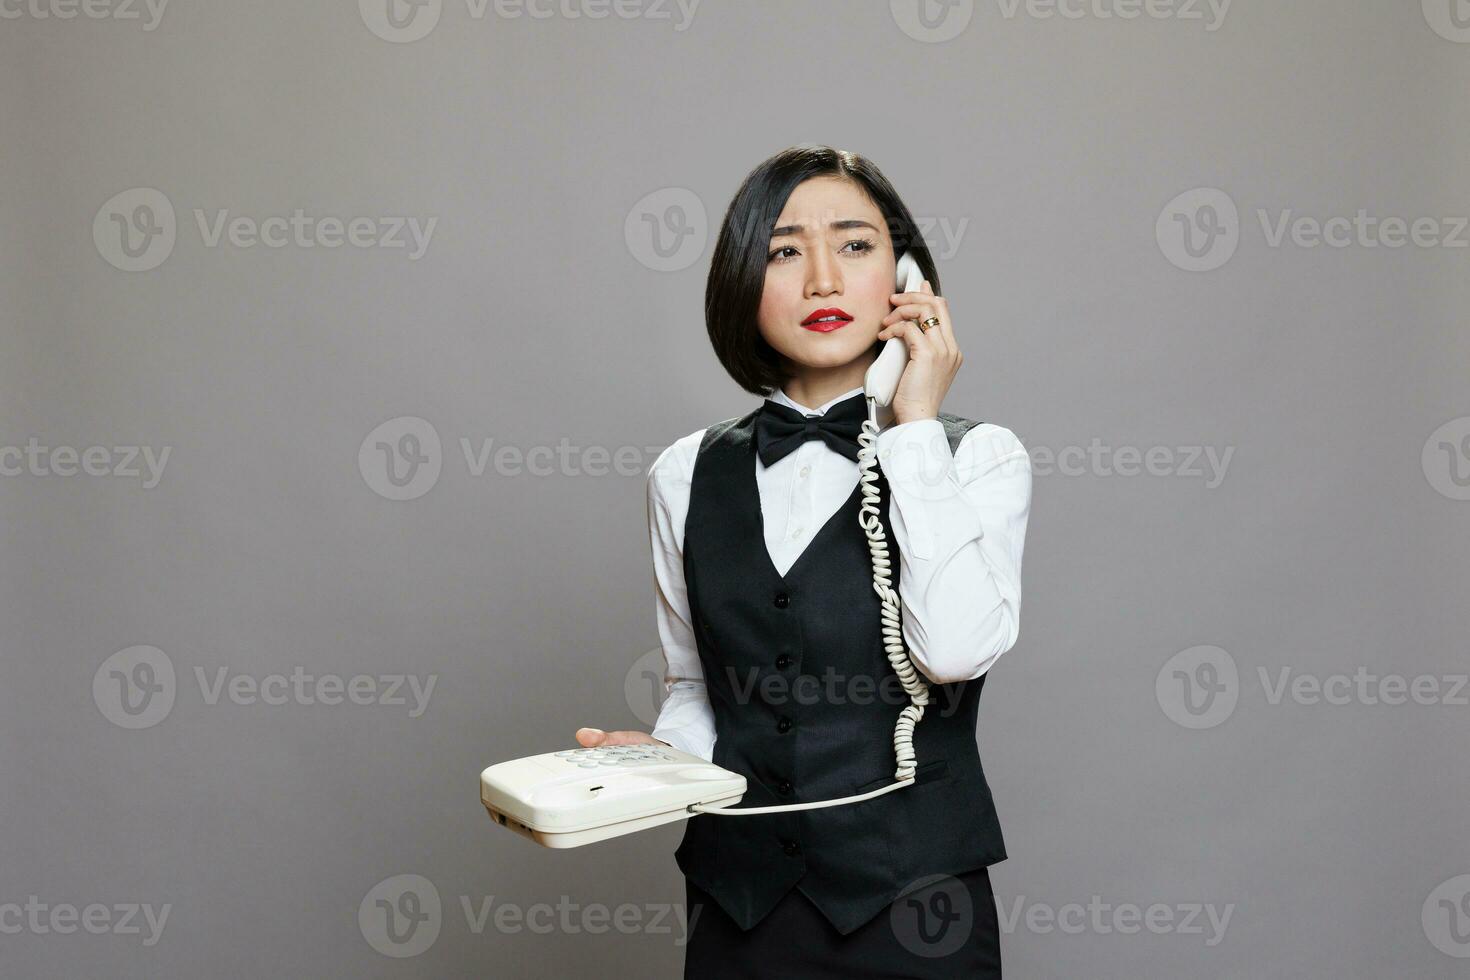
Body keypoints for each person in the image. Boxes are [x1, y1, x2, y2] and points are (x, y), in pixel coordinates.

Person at [575, 144, 1031, 977]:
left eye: (855, 245)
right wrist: (655, 766)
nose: (823, 278)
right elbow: (693, 687)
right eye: (785, 250)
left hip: (916, 908)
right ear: (742, 282)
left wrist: (916, 427)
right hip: (739, 905)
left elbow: (957, 653)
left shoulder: (977, 458)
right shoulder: (683, 473)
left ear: (908, 274)